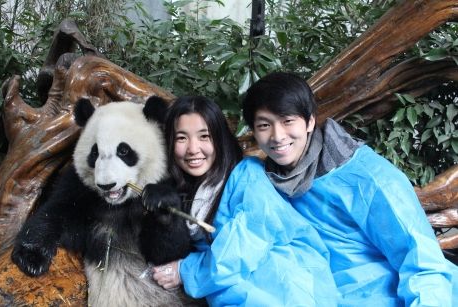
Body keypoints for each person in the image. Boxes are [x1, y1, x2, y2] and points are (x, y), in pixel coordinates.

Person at [242, 71, 458, 306]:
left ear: (310, 121)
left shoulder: (368, 176)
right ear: (253, 131)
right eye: (264, 125)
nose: (277, 136)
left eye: (287, 121)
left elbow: (423, 262)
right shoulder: (263, 179)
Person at [144, 95, 339, 306]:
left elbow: (242, 248)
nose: (192, 149)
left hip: (287, 289)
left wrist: (186, 271)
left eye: (204, 136)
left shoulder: (247, 175)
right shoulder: (189, 192)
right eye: (182, 138)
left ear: (220, 139)